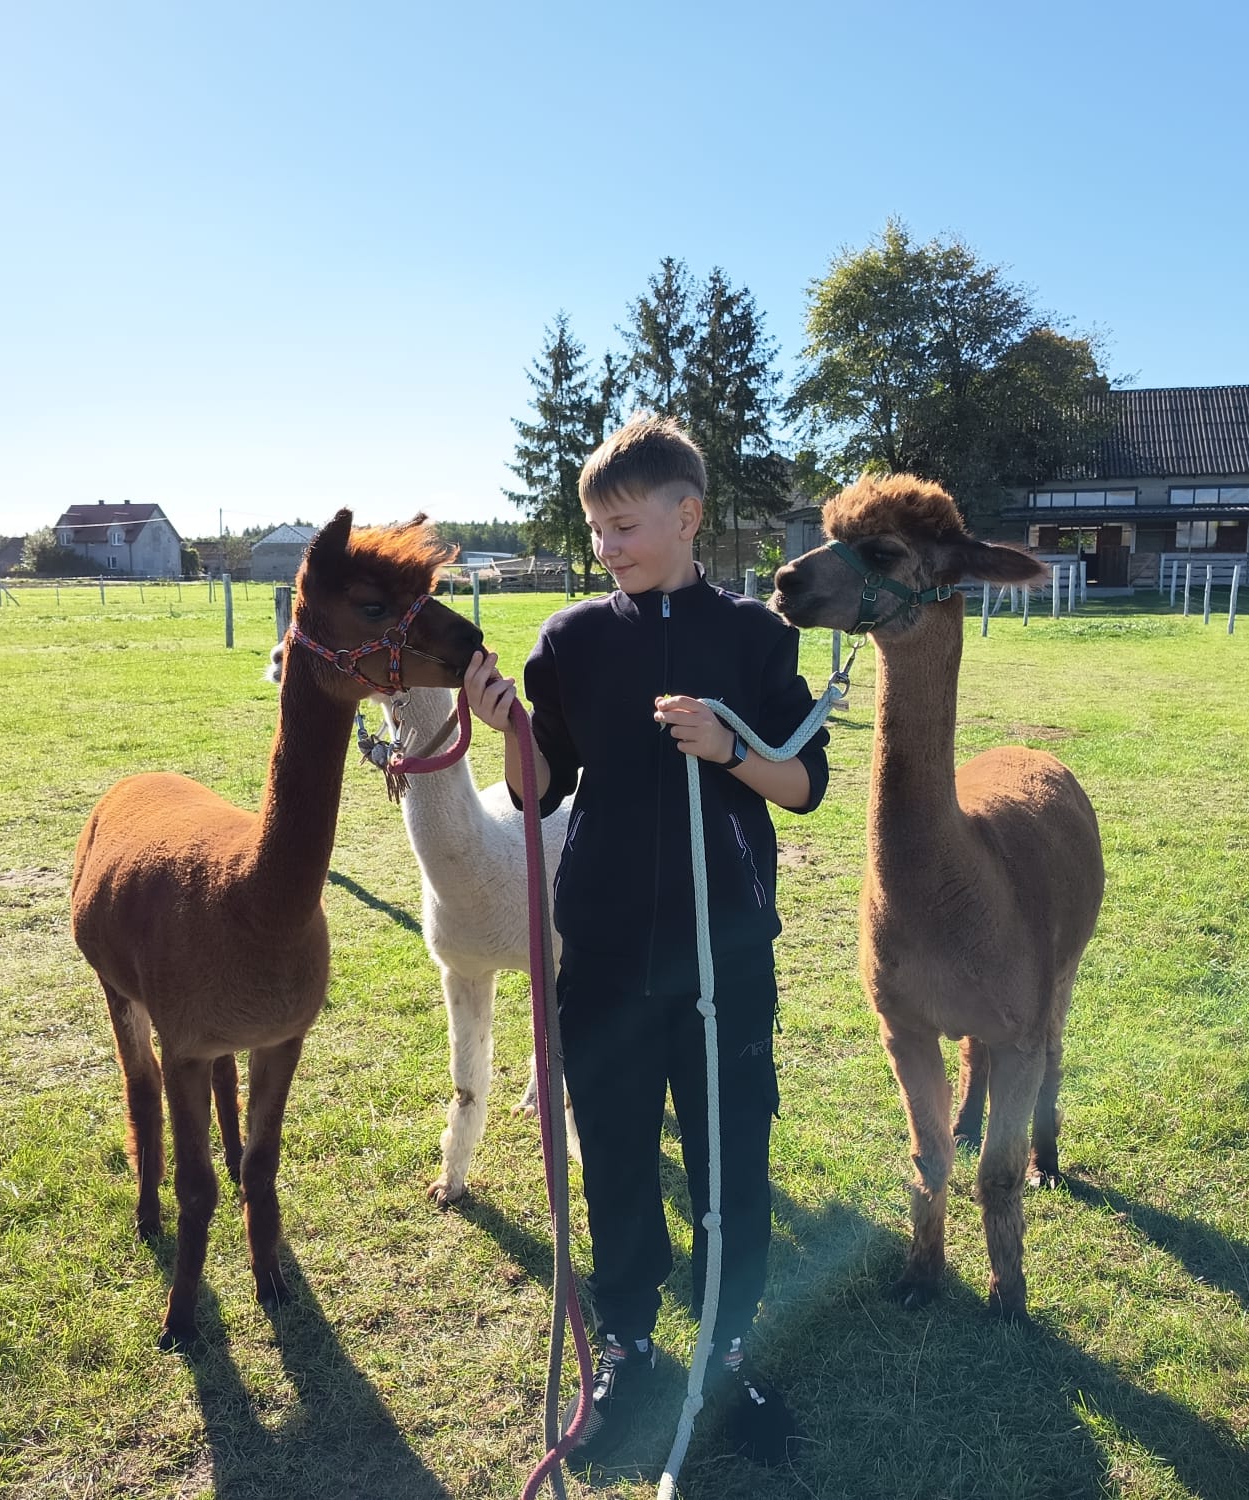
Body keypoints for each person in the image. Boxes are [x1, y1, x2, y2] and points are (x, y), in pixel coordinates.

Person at [465, 413, 829, 1468]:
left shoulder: (756, 638)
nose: (606, 547)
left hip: (726, 957)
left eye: (624, 526)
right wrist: (508, 731)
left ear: (687, 516)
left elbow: (803, 785)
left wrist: (728, 747)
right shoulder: (570, 641)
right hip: (606, 956)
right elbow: (542, 790)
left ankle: (727, 1349)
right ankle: (627, 1344)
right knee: (619, 1157)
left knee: (730, 1160)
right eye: (596, 530)